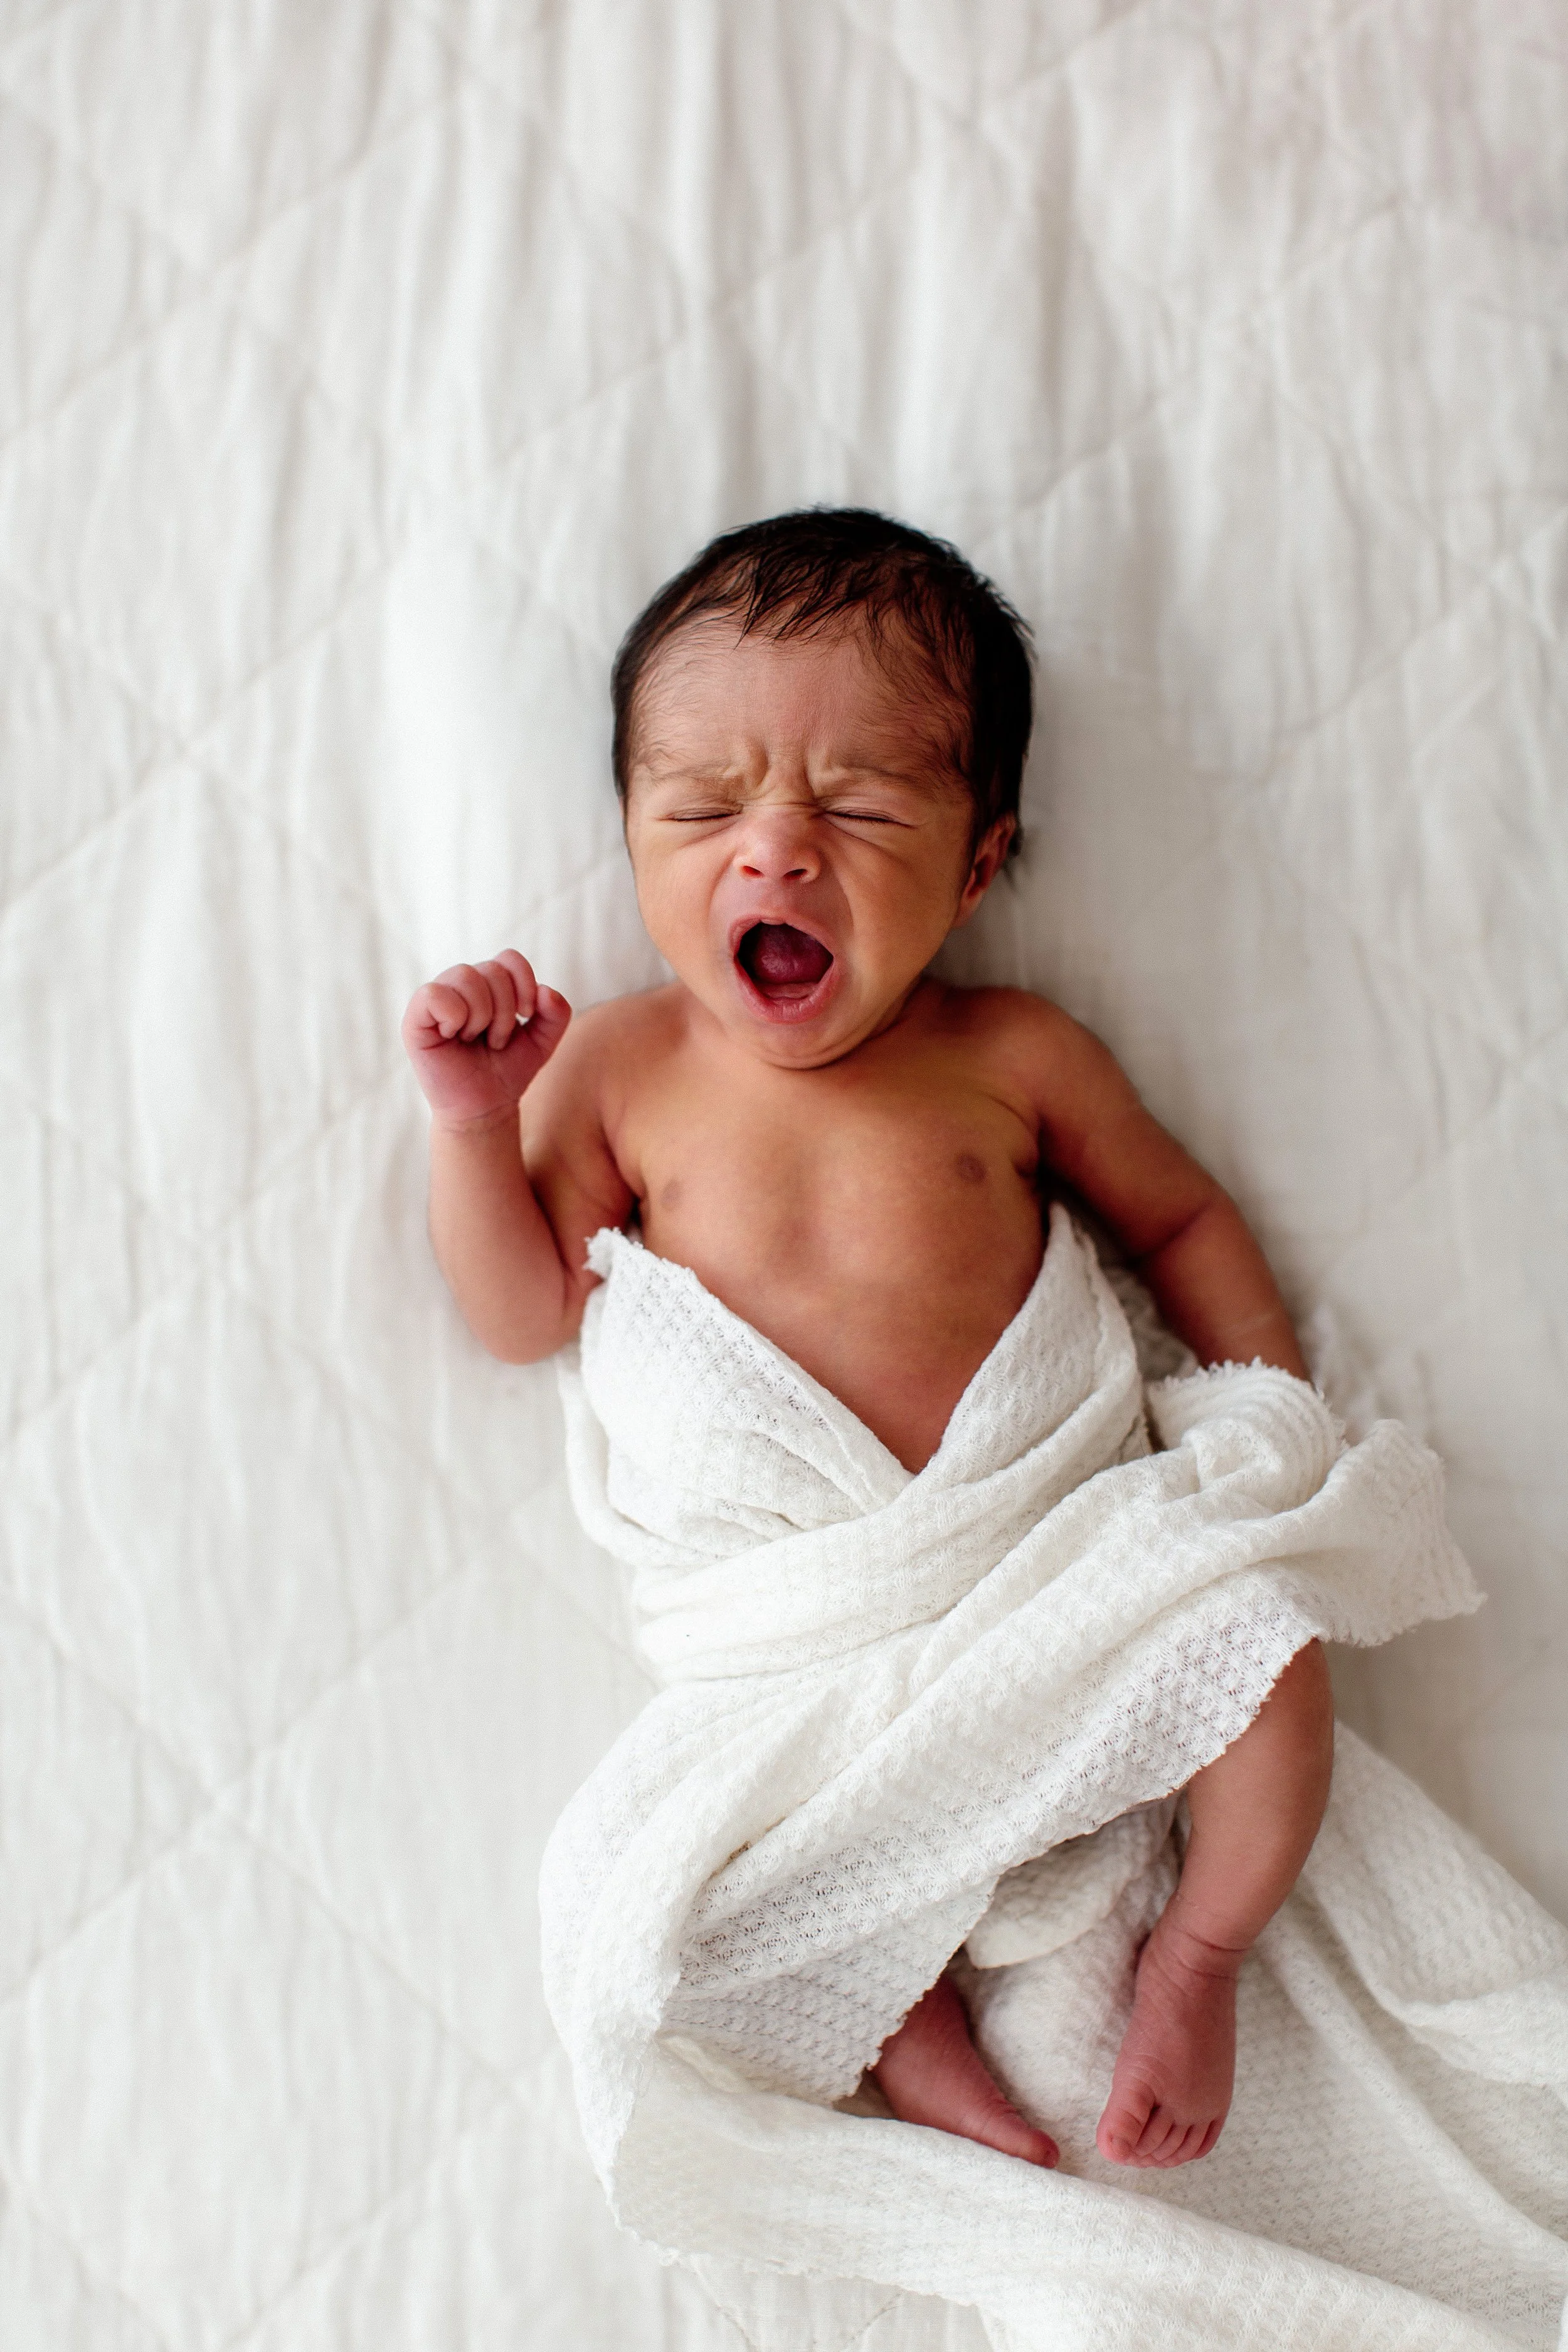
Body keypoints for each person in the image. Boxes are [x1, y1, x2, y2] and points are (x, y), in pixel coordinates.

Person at [400, 507, 1335, 2175]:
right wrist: (474, 1125)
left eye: (854, 805)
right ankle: (907, 2031)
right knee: (686, 1886)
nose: (770, 851)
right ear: (630, 834)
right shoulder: (615, 1069)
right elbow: (520, 1307)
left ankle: (1195, 1952)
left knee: (1266, 1651)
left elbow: (1179, 1221)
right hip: (804, 1626)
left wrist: (1264, 1428)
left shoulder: (1014, 1053)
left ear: (978, 862)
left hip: (1045, 1555)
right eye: (701, 806)